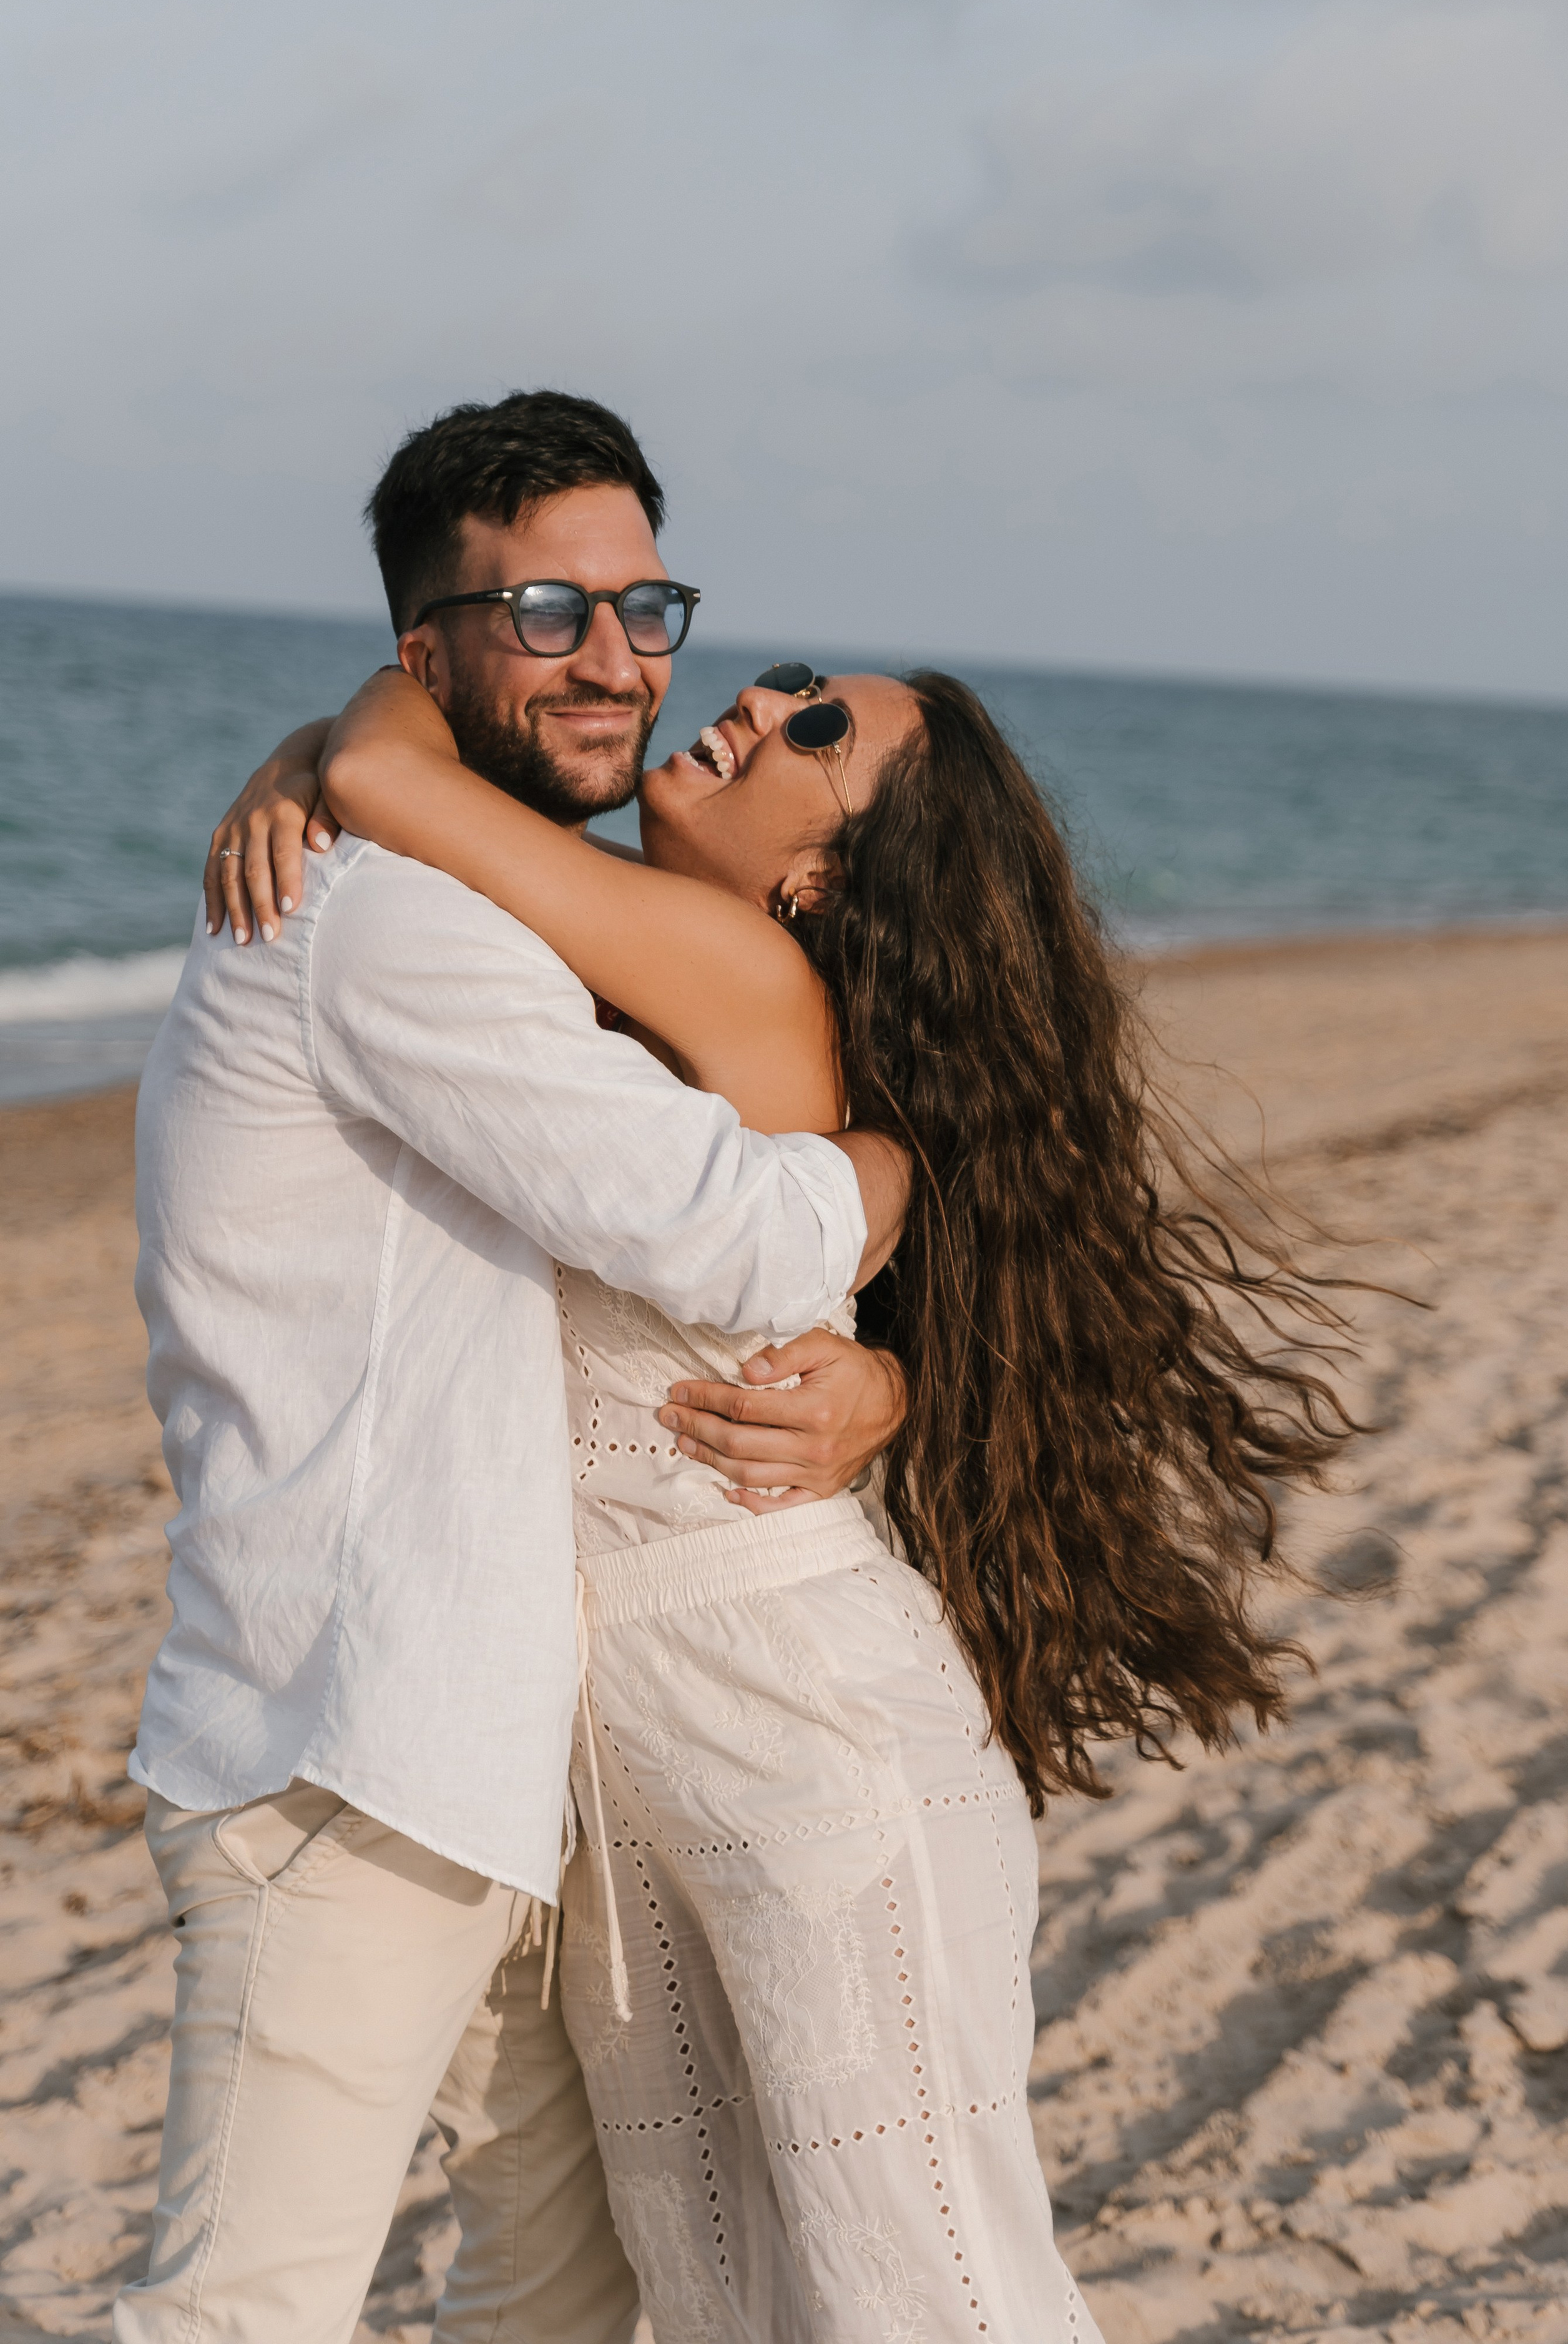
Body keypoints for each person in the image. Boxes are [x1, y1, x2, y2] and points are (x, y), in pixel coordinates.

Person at [215, 622, 1358, 2331]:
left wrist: (322, 739)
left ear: (826, 875)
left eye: (813, 726)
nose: (751, 696)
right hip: (631, 1737)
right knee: (731, 2291)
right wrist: (894, 1360)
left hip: (792, 1707)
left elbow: (394, 771)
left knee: (931, 2285)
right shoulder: (621, 961)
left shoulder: (719, 963)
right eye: (792, 680)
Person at [116, 391, 909, 2344]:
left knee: (555, 2303)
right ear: (432, 649)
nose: (619, 662)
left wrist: (883, 1393)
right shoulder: (389, 927)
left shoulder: (480, 901)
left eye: (646, 611)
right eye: (548, 613)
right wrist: (901, 1164)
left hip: (488, 1753)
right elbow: (730, 1233)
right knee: (238, 2314)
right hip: (345, 1751)